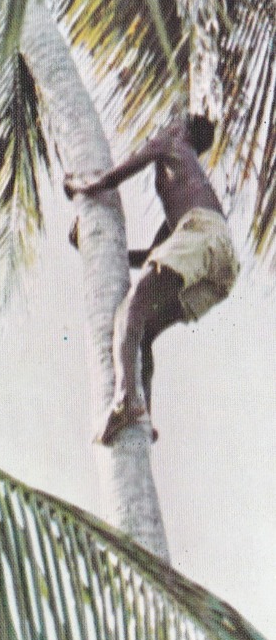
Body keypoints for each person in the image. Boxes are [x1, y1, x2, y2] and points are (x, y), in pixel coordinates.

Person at [64, 114, 239, 445]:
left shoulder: (172, 144)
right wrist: (94, 246)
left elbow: (120, 173)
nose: (163, 128)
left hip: (201, 236)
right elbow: (151, 258)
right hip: (222, 262)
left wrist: (84, 188)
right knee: (142, 336)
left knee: (128, 314)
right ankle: (144, 415)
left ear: (180, 130)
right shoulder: (187, 190)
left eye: (171, 123)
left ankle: (126, 399)